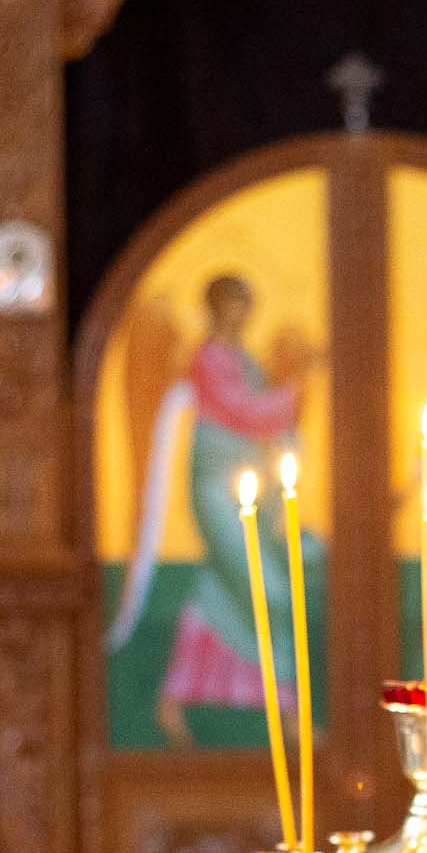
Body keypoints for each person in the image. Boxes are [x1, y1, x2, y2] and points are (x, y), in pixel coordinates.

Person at [123, 273, 323, 749]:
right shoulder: (207, 359)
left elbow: (267, 422)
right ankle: (288, 709)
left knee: (217, 594)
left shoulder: (243, 359)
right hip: (218, 490)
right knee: (272, 591)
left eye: (245, 304)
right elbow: (247, 412)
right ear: (216, 309)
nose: (241, 313)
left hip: (252, 491)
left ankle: (174, 703)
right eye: (233, 304)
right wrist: (297, 386)